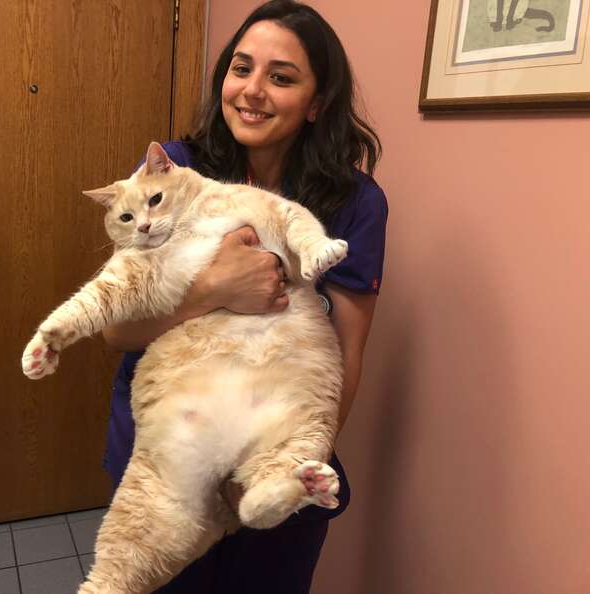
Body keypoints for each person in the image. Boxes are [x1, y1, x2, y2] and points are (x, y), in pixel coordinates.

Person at [100, 1, 388, 592]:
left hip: (273, 452)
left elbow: (347, 353)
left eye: (281, 77)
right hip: (171, 455)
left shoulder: (356, 204)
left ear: (317, 103)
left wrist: (298, 455)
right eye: (241, 69)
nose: (252, 91)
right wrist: (215, 288)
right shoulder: (173, 173)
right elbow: (115, 329)